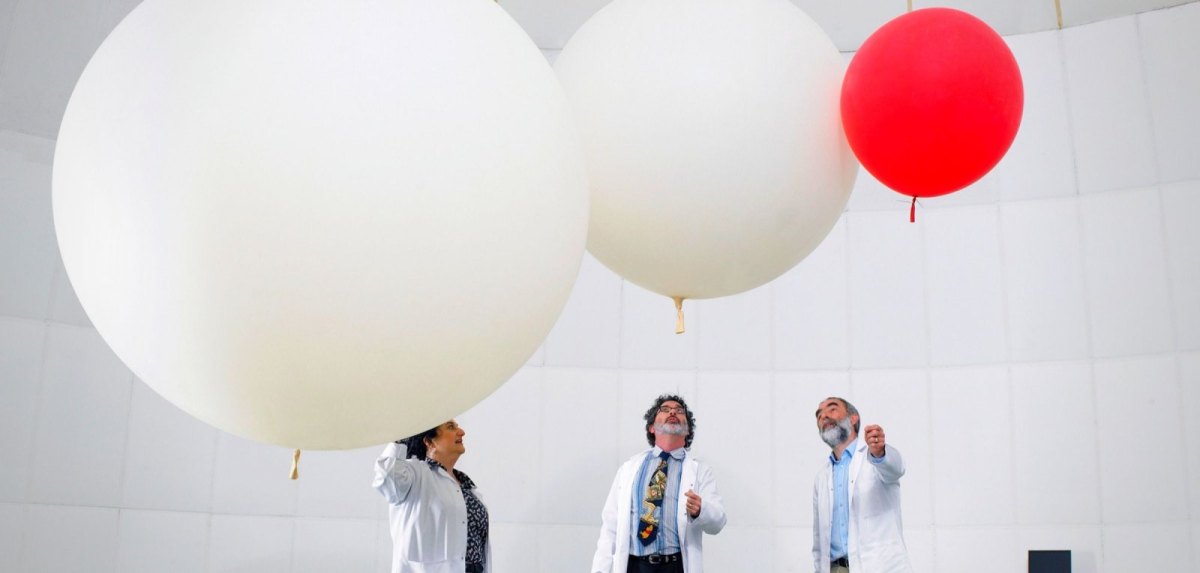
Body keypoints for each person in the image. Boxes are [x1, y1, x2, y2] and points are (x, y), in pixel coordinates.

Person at [592, 394, 727, 573]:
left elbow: (718, 521)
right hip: (634, 566)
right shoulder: (629, 469)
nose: (673, 411)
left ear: (687, 431)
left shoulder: (700, 471)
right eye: (665, 410)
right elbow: (610, 527)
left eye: (680, 411)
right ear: (652, 428)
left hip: (675, 566)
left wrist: (701, 510)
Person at [373, 420, 490, 573]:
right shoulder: (413, 475)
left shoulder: (466, 486)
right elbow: (386, 475)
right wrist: (402, 435)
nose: (461, 431)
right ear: (429, 442)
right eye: (450, 427)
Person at [812, 397, 913, 573]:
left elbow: (896, 468)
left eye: (832, 409)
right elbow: (819, 540)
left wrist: (879, 452)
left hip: (878, 566)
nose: (823, 416)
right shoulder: (822, 477)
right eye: (819, 415)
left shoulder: (873, 458)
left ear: (853, 418)